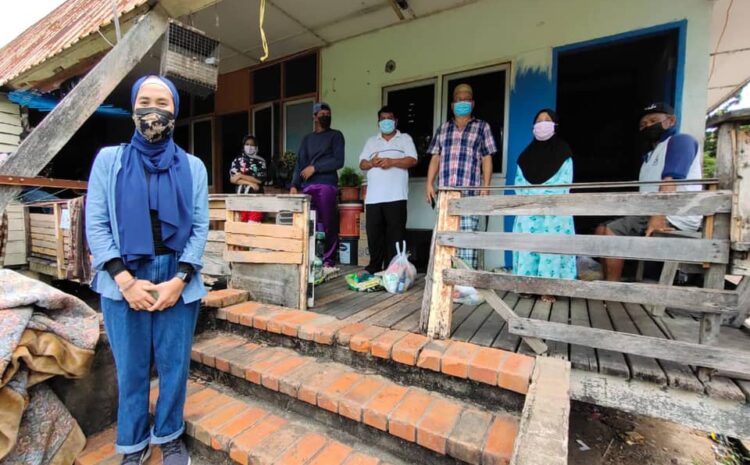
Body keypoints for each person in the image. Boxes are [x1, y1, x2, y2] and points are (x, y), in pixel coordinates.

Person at [86, 75, 208, 465]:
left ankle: (170, 436)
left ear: (175, 111)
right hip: (124, 276)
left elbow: (201, 226)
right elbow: (97, 223)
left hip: (177, 274)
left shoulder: (193, 167)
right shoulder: (110, 160)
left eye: (163, 102)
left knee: (174, 365)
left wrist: (179, 280)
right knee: (131, 369)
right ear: (133, 108)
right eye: (145, 100)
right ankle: (133, 444)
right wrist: (124, 281)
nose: (153, 109)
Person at [595, 102, 701, 282]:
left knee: (613, 232)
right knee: (600, 230)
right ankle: (605, 281)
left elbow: (669, 183)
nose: (648, 126)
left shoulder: (680, 141)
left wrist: (658, 215)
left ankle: (610, 290)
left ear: (671, 121)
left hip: (675, 215)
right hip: (651, 212)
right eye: (643, 125)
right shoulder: (650, 155)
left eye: (653, 121)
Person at [425, 83, 496, 269]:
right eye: (458, 99)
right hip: (446, 194)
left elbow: (486, 158)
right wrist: (429, 184)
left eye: (465, 99)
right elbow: (435, 157)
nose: (461, 102)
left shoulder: (482, 127)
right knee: (445, 239)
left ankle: (465, 285)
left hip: (469, 193)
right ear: (452, 104)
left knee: (466, 241)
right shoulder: (443, 129)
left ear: (472, 103)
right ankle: (444, 282)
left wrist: (486, 186)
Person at [513, 109, 576, 302]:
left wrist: (543, 198)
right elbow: (519, 185)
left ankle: (549, 288)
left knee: (551, 248)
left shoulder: (564, 152)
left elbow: (564, 183)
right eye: (538, 121)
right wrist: (532, 201)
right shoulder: (525, 156)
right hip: (529, 211)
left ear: (555, 125)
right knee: (527, 247)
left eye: (547, 120)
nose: (542, 124)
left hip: (554, 213)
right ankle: (528, 285)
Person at [359, 105, 418, 273]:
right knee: (374, 235)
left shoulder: (404, 138)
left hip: (396, 196)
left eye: (389, 119)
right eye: (383, 119)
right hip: (374, 198)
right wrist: (372, 163)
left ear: (396, 121)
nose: (386, 122)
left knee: (396, 235)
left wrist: (391, 162)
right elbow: (362, 163)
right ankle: (374, 267)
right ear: (378, 122)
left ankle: (393, 269)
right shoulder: (371, 141)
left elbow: (412, 159)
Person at [290, 102, 345, 268]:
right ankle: (314, 259)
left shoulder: (336, 135)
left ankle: (329, 261)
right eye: (322, 114)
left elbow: (338, 161)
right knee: (312, 224)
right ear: (314, 117)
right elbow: (300, 163)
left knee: (328, 223)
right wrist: (294, 185)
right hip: (308, 187)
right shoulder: (307, 139)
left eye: (328, 114)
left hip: (327, 185)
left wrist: (315, 167)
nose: (325, 117)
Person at [229, 134, 267, 222]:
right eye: (247, 144)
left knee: (253, 223)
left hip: (256, 197)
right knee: (241, 224)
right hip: (240, 197)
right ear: (243, 146)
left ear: (256, 147)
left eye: (252, 145)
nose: (249, 147)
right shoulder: (237, 160)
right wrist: (250, 183)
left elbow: (259, 180)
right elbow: (233, 179)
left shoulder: (261, 161)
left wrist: (241, 176)